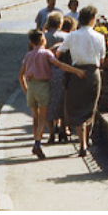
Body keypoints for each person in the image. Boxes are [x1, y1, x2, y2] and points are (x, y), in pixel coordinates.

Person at [21, 29, 85, 159]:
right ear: (43, 40)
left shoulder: (28, 55)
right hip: (43, 86)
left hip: (31, 86)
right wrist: (76, 71)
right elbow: (60, 65)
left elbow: (20, 74)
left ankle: (35, 140)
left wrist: (26, 89)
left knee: (35, 117)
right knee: (43, 118)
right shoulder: (46, 53)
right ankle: (37, 144)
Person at [57, 6, 106, 157]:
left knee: (76, 107)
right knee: (90, 106)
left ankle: (82, 142)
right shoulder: (99, 37)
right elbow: (102, 59)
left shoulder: (72, 36)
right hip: (93, 73)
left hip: (77, 73)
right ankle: (86, 139)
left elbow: (59, 53)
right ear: (92, 19)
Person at [43, 13, 70, 144]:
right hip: (63, 71)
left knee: (49, 101)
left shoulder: (44, 37)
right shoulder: (66, 37)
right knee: (63, 101)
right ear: (60, 23)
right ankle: (63, 129)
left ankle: (52, 131)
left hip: (47, 72)